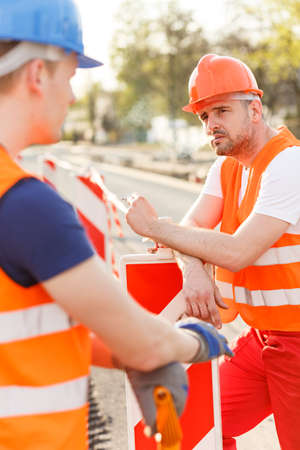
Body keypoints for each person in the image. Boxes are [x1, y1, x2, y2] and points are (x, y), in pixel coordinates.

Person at [0, 3, 233, 449]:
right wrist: (192, 343)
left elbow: (36, 328)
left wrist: (132, 354)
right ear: (36, 74)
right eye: (70, 78)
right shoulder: (27, 206)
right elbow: (145, 344)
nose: (71, 96)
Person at [126, 53, 300, 450]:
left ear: (254, 109)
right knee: (185, 427)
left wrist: (155, 228)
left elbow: (238, 252)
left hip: (298, 345)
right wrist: (192, 271)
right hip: (261, 342)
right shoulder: (227, 168)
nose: (211, 125)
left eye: (221, 110)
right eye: (204, 116)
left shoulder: (289, 163)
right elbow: (190, 230)